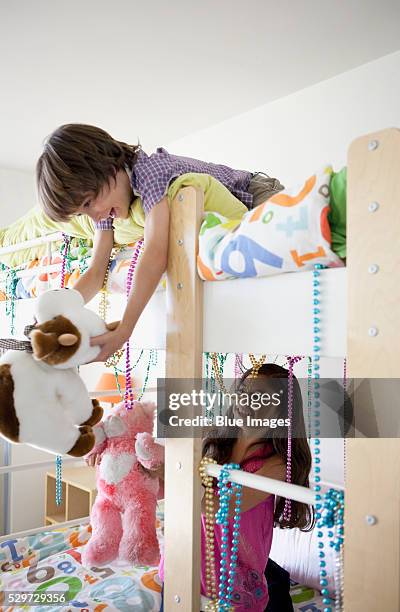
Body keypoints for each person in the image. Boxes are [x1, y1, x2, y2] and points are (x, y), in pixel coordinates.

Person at [36, 124, 284, 362]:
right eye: (82, 213)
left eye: (89, 203)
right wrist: (57, 314)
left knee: (281, 240)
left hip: (255, 193)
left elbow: (155, 253)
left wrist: (125, 328)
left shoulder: (150, 171)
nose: (93, 217)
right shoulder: (106, 210)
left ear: (108, 169)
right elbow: (96, 270)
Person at [158, 362, 314, 611]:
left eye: (261, 398)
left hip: (232, 585)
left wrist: (175, 472)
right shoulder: (213, 439)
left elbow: (219, 509)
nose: (246, 402)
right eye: (243, 392)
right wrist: (131, 465)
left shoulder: (275, 465)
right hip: (182, 564)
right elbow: (162, 486)